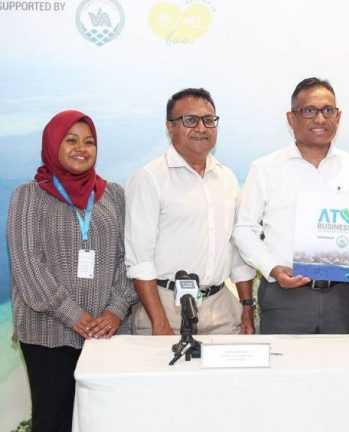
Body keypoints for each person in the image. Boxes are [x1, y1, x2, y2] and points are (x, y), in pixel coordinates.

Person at [7, 110, 136, 431]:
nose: (82, 148)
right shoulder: (28, 196)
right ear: (53, 144)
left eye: (89, 142)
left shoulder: (114, 195)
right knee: (54, 421)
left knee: (107, 421)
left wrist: (116, 310)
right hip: (48, 333)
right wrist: (73, 316)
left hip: (107, 332)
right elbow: (28, 267)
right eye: (71, 140)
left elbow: (131, 258)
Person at [233, 77, 349, 334]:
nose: (320, 119)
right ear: (291, 118)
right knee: (285, 362)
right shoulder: (265, 168)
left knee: (341, 361)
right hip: (285, 297)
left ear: (338, 116)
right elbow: (244, 230)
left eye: (328, 110)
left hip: (342, 298)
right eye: (310, 111)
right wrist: (272, 268)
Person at [125, 88, 255, 335]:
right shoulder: (149, 179)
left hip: (222, 308)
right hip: (166, 308)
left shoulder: (226, 178)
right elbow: (139, 260)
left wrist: (247, 307)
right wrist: (159, 321)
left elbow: (237, 251)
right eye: (190, 120)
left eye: (208, 120)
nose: (201, 128)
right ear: (170, 127)